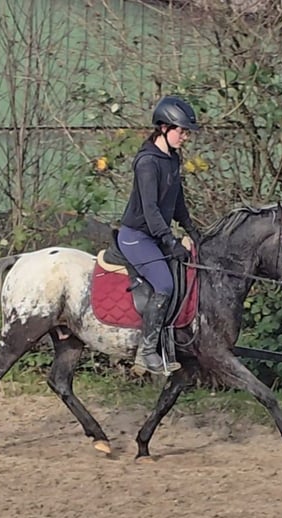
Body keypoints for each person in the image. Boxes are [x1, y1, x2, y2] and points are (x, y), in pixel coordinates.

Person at [117, 95, 203, 375]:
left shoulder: (172, 159)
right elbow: (152, 210)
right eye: (181, 130)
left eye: (186, 132)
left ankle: (171, 344)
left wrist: (191, 229)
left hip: (155, 236)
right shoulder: (147, 163)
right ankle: (146, 351)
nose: (185, 137)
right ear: (164, 128)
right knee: (164, 285)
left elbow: (176, 202)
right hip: (136, 237)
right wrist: (170, 240)